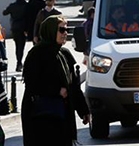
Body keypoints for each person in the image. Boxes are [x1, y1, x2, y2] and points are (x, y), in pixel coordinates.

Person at [21, 15, 90, 146]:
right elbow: (32, 84)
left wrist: (83, 110)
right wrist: (56, 90)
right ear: (51, 30)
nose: (65, 34)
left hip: (62, 115)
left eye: (66, 30)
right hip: (41, 118)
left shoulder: (64, 54)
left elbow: (73, 86)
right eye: (61, 30)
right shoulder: (36, 54)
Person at [3, 0, 28, 72]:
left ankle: (19, 62)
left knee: (17, 46)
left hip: (15, 27)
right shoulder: (26, 5)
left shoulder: (13, 5)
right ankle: (19, 62)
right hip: (24, 28)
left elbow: (4, 12)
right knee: (21, 46)